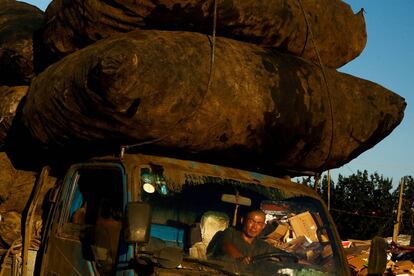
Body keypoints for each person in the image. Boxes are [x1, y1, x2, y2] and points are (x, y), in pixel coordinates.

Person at [206, 209, 278, 264]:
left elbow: (280, 254)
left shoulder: (262, 246)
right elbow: (226, 245)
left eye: (259, 223)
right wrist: (240, 257)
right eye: (251, 221)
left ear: (263, 226)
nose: (254, 227)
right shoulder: (230, 233)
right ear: (243, 220)